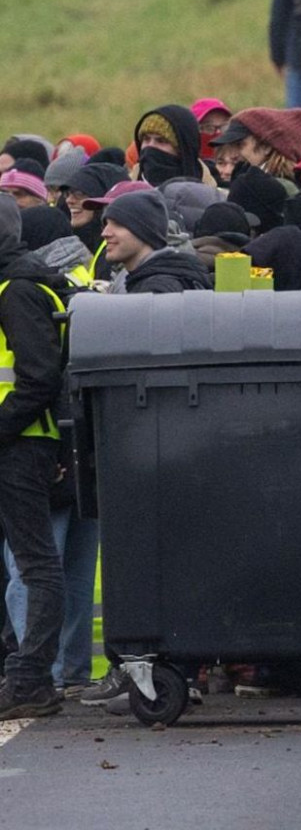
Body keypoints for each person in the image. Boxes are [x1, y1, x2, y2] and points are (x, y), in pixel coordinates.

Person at [0, 194, 68, 718]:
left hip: (22, 443)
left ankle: (30, 681)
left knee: (35, 564)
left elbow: (38, 377)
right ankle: (22, 672)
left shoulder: (18, 290)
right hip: (18, 440)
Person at [94, 190, 211, 293]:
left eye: (118, 224)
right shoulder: (147, 277)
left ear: (143, 231)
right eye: (106, 224)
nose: (105, 233)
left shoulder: (157, 289)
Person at [212, 108, 301, 191]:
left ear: (266, 147)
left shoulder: (283, 187)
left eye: (240, 145)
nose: (237, 154)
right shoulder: (245, 172)